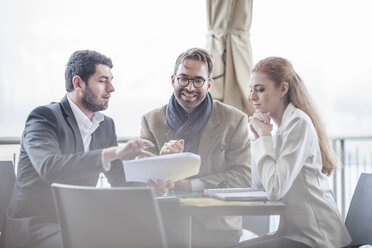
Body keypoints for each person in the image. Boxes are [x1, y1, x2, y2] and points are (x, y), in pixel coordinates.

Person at [1, 50, 159, 248]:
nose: (112, 88)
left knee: (143, 235)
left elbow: (120, 179)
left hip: (77, 223)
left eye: (111, 80)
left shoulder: (105, 125)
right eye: (103, 81)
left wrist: (148, 188)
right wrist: (113, 153)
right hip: (35, 225)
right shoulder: (43, 117)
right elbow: (49, 167)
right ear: (78, 83)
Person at [234, 57, 351, 248]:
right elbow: (260, 185)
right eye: (251, 89)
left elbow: (274, 190)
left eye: (260, 89)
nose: (251, 97)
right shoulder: (283, 129)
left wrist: (264, 138)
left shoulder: (298, 124)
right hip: (295, 234)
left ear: (283, 89)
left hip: (317, 238)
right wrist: (258, 139)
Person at [141, 48, 251, 247]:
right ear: (173, 80)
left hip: (217, 228)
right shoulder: (151, 120)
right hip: (164, 224)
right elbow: (141, 176)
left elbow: (244, 176)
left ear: (209, 84)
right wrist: (161, 162)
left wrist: (192, 185)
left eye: (198, 80)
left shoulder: (234, 120)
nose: (190, 87)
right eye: (183, 79)